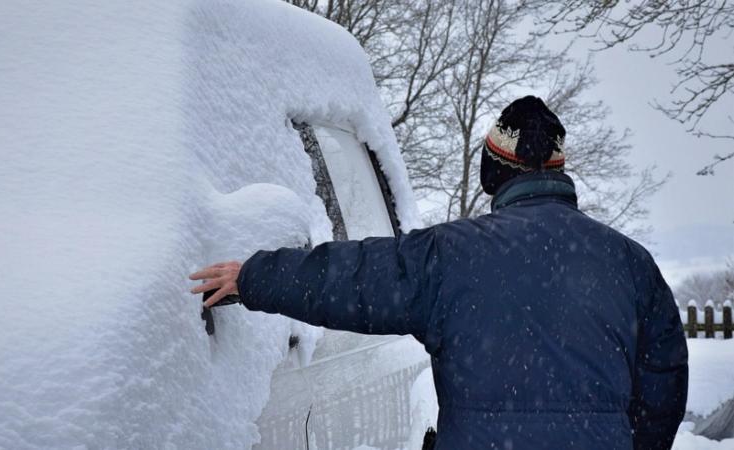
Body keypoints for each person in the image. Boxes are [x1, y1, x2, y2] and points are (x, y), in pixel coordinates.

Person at [189, 96, 688, 450]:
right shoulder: (630, 263)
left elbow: (352, 277)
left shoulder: (450, 255)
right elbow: (663, 389)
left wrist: (254, 276)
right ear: (558, 172)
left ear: (493, 172)